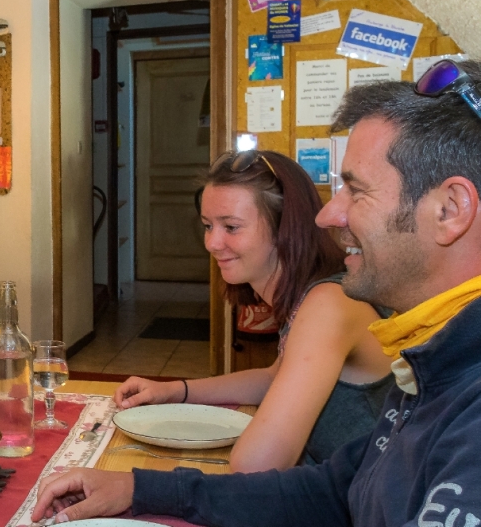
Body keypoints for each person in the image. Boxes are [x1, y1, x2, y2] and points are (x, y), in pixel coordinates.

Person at [31, 60, 481, 525]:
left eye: (356, 190)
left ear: (451, 209)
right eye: (207, 226)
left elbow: (259, 462)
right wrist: (144, 472)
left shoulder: (341, 309)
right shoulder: (431, 363)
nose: (328, 216)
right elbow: (334, 484)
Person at [114, 149, 393, 471]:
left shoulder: (329, 303)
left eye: (231, 227)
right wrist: (173, 390)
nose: (212, 243)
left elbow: (256, 466)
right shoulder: (313, 295)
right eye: (207, 226)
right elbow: (273, 377)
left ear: (284, 228)